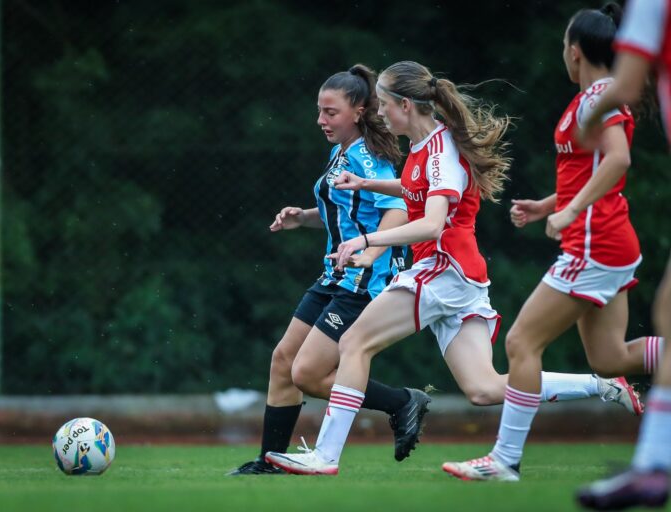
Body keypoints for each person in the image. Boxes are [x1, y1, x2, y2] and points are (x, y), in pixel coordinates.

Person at [264, 60, 642, 477]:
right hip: (462, 277)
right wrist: (369, 184)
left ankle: (325, 456)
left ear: (406, 105)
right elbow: (415, 189)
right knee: (484, 388)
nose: (381, 113)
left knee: (355, 342)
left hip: (443, 268)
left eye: (385, 104)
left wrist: (368, 240)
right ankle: (603, 385)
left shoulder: (440, 151)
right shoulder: (426, 147)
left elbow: (431, 222)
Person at [442, 3, 665, 483]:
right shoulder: (594, 96)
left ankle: (503, 461)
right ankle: (503, 460)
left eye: (565, 44)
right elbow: (590, 172)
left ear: (576, 49)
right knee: (609, 359)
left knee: (522, 342)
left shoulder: (597, 97)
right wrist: (549, 205)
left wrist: (566, 212)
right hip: (610, 241)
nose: (562, 52)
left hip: (595, 244)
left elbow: (618, 161)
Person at [228, 64, 433, 476]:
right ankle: (269, 462)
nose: (321, 120)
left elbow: (396, 209)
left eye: (330, 112)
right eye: (319, 111)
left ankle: (400, 402)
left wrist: (372, 254)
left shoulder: (368, 156)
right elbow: (347, 213)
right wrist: (303, 217)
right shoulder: (340, 151)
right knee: (283, 359)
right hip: (336, 274)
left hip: (363, 279)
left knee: (307, 372)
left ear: (358, 111)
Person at [576, 0, 671, 508]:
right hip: (599, 239)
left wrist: (584, 118)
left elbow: (627, 84)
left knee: (524, 339)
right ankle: (654, 466)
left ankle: (655, 466)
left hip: (599, 241)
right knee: (634, 339)